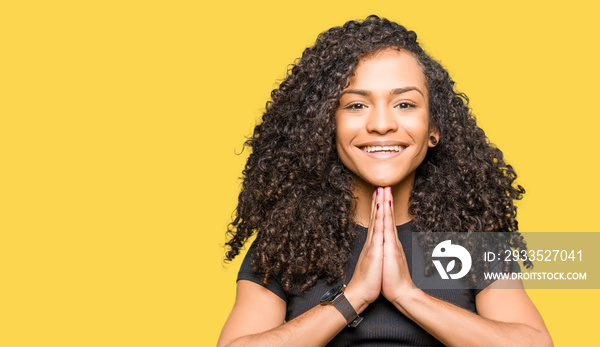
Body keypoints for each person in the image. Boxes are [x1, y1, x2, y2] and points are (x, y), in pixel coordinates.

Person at [218, 15, 552, 346]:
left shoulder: (472, 238)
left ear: (433, 129)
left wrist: (407, 295)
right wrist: (352, 298)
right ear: (327, 128)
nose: (381, 124)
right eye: (357, 105)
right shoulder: (287, 238)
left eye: (404, 104)